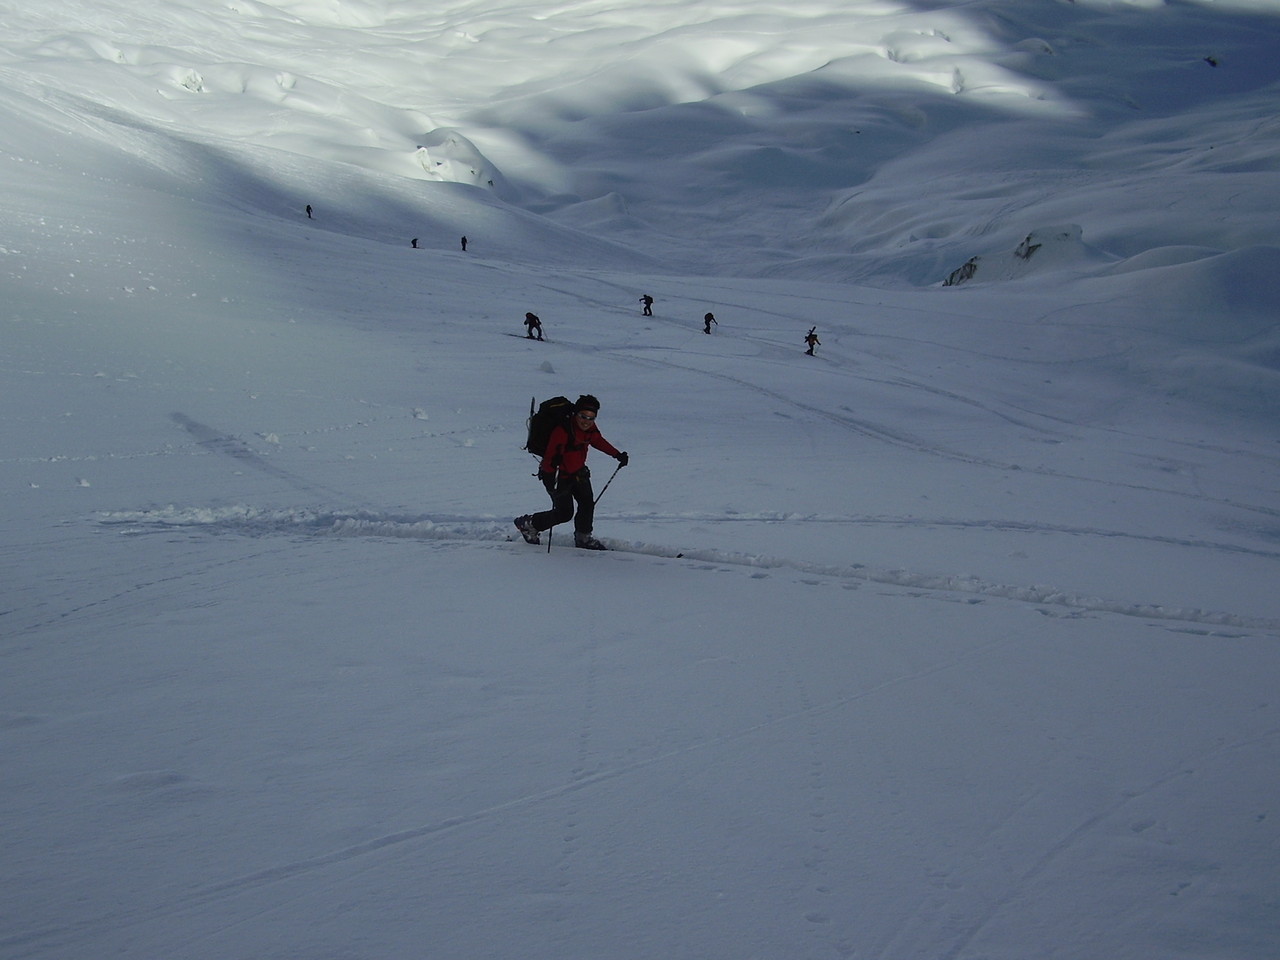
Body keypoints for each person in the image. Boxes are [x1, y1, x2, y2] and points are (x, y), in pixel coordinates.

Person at [514, 395, 628, 550]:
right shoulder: (563, 431)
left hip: (579, 473)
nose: (586, 421)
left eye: (591, 418)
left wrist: (617, 454)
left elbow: (597, 440)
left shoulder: (590, 429)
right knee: (564, 513)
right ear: (576, 413)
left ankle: (584, 538)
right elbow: (549, 458)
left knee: (587, 504)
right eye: (583, 416)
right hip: (558, 476)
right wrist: (551, 473)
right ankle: (528, 524)